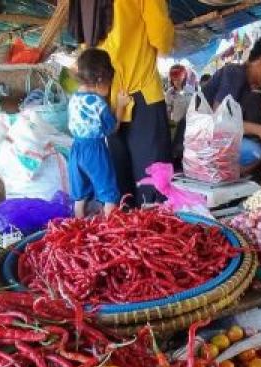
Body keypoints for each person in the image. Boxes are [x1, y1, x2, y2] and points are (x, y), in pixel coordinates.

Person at [78, 0, 174, 204]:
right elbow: (160, 35)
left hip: (110, 99)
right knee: (153, 180)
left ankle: (127, 230)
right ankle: (152, 229)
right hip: (143, 95)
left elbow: (86, 48)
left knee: (121, 180)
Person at [200, 35, 261, 172]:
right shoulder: (234, 74)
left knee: (260, 150)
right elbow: (220, 120)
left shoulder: (255, 86)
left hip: (219, 143)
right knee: (255, 151)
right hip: (202, 143)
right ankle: (223, 177)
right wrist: (259, 130)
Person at [68, 49, 128, 217]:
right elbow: (112, 129)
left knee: (79, 196)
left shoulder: (73, 99)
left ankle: (77, 228)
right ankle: (111, 232)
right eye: (110, 83)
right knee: (109, 194)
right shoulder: (98, 103)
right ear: (101, 79)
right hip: (95, 151)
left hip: (76, 149)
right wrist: (121, 105)